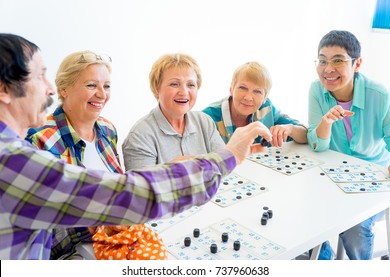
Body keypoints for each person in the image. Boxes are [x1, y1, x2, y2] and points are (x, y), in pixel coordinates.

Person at [0, 33, 272, 260]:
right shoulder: (19, 156)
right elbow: (126, 194)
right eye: (39, 77)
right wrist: (226, 155)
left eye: (106, 85)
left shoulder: (106, 130)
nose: (48, 89)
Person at [26, 51, 166, 260]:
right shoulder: (39, 140)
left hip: (115, 242)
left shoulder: (107, 130)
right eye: (91, 85)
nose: (102, 94)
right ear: (64, 88)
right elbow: (34, 234)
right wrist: (92, 224)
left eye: (106, 86)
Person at [308, 30, 390, 260]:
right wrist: (326, 122)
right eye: (322, 61)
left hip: (372, 178)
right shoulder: (316, 90)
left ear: (357, 64)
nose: (328, 69)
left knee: (354, 228)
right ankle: (324, 260)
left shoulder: (380, 94)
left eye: (338, 61)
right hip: (332, 175)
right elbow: (317, 144)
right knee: (302, 210)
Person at [122, 53, 225, 171]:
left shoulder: (204, 121)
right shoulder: (140, 136)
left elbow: (223, 166)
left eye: (191, 85)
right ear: (157, 88)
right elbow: (141, 188)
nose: (184, 92)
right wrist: (172, 170)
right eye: (174, 84)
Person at [203, 61, 307, 147]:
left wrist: (290, 129)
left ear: (264, 98)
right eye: (242, 88)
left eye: (257, 91)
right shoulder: (208, 117)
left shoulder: (267, 108)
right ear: (231, 89)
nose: (248, 97)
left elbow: (307, 135)